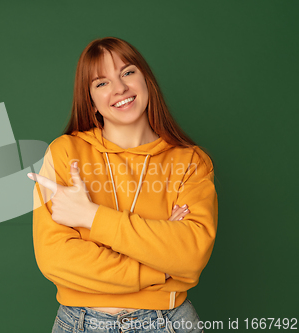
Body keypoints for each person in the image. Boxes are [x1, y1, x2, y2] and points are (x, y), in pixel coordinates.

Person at [27, 37, 218, 333]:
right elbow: (55, 258)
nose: (119, 89)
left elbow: (191, 253)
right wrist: (159, 266)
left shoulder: (191, 161)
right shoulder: (65, 153)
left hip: (168, 322)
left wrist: (90, 216)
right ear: (90, 99)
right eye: (101, 83)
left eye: (128, 73)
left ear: (147, 81)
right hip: (80, 323)